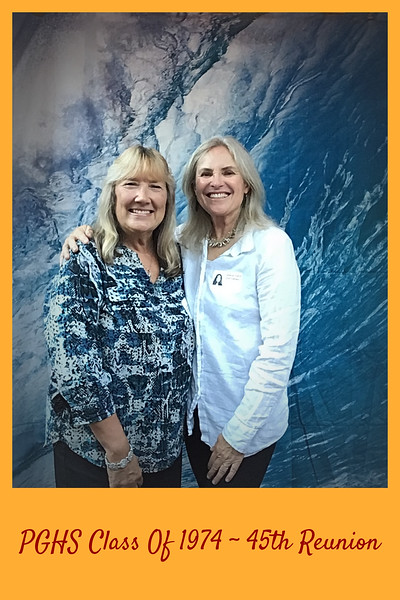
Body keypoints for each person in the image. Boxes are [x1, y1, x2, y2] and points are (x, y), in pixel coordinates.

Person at [62, 136, 301, 488]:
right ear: (193, 186)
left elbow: (278, 353)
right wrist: (83, 233)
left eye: (228, 172)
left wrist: (238, 435)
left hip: (242, 424)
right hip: (191, 423)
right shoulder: (183, 243)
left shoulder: (270, 245)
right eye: (205, 174)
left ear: (247, 184)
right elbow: (133, 226)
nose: (216, 182)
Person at [44, 145, 194, 488]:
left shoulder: (177, 262)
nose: (143, 197)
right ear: (113, 194)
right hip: (98, 459)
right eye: (131, 184)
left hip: (164, 456)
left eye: (155, 186)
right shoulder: (86, 258)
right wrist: (119, 454)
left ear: (168, 198)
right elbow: (73, 368)